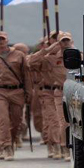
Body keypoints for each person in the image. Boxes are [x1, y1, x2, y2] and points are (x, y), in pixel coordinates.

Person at [0, 32, 31, 160]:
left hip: (16, 91)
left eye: (2, 39)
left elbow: (26, 76)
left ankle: (13, 139)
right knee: (2, 119)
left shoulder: (19, 55)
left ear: (6, 40)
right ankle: (6, 147)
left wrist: (28, 93)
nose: (0, 42)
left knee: (16, 121)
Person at [28, 31, 72, 160]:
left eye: (66, 40)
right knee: (57, 121)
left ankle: (66, 146)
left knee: (68, 122)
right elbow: (30, 62)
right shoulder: (49, 58)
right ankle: (60, 146)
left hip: (72, 91)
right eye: (61, 40)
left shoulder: (76, 55)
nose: (64, 43)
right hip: (53, 92)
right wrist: (47, 49)